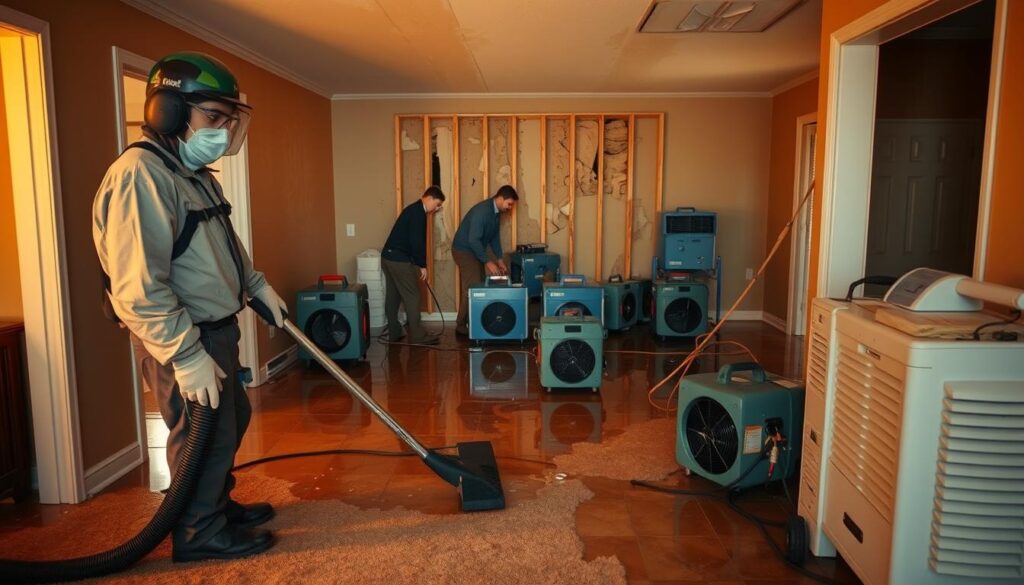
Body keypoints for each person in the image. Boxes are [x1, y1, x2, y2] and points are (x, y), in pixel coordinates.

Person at [92, 52, 286, 562]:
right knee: (200, 429)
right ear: (169, 112)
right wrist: (184, 353)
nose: (221, 130)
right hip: (184, 335)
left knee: (232, 419)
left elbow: (222, 241)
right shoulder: (141, 176)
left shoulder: (194, 173)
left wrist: (257, 286)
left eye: (227, 120)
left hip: (218, 328)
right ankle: (198, 531)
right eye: (213, 117)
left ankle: (214, 504)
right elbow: (136, 287)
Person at [451, 184, 518, 336]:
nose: (510, 207)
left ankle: (476, 322)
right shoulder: (482, 211)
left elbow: (494, 238)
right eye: (509, 204)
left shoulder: (496, 213)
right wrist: (488, 262)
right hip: (463, 250)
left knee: (479, 285)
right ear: (500, 199)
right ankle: (461, 326)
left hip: (474, 250)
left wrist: (499, 259)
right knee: (472, 288)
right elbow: (473, 240)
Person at [381, 186, 445, 345]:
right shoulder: (418, 213)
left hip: (387, 257)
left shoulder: (412, 209)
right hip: (399, 260)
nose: (436, 209)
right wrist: (422, 265)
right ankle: (417, 336)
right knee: (413, 297)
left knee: (393, 296)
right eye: (437, 204)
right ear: (429, 198)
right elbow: (417, 241)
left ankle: (395, 332)